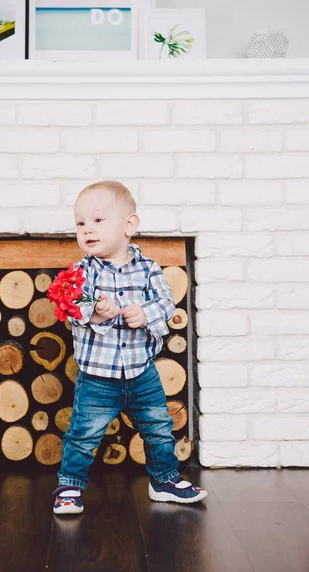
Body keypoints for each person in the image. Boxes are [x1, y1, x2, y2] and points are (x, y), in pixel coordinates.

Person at [52, 181, 207, 515]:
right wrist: (96, 311)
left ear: (129, 226)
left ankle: (164, 480)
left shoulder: (148, 268)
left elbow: (167, 304)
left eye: (97, 221)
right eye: (80, 224)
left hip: (141, 371)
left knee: (159, 428)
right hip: (97, 376)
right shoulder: (83, 271)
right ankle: (70, 485)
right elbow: (73, 306)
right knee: (83, 434)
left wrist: (145, 313)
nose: (87, 230)